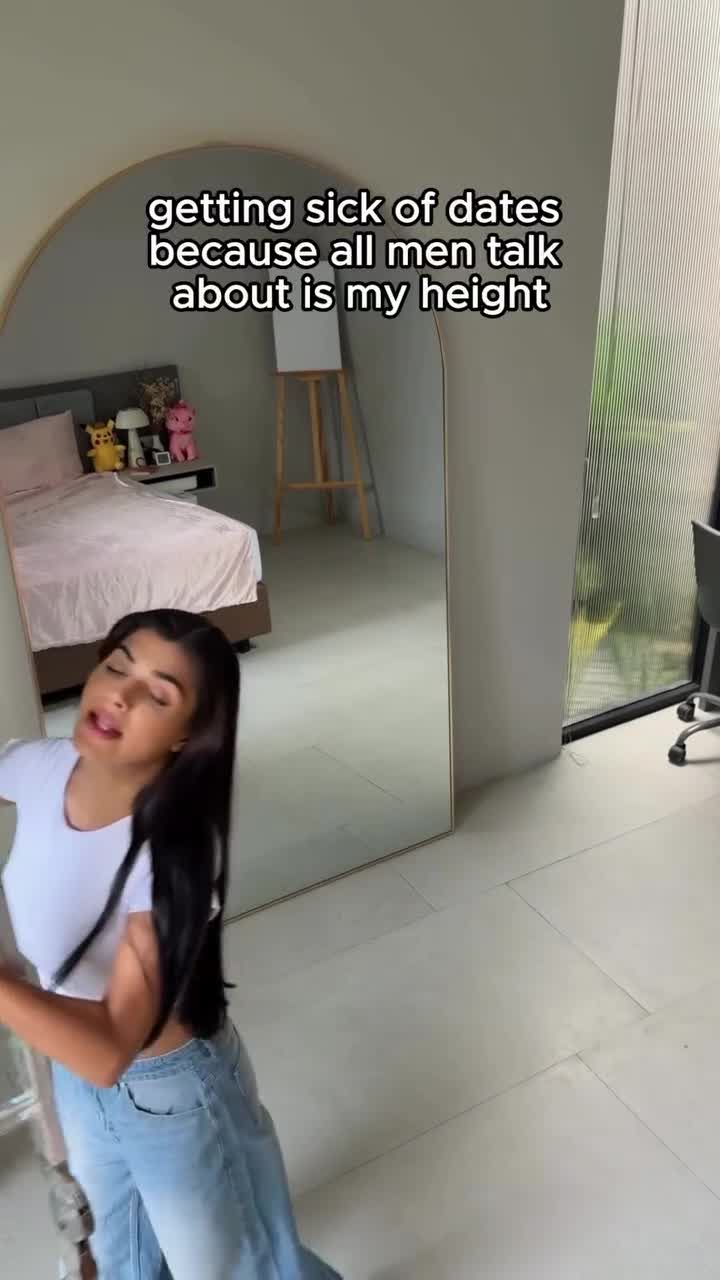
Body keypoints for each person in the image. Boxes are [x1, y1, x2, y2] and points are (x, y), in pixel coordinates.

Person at [0, 608, 341, 1280]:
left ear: (189, 733)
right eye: (116, 666)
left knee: (232, 1268)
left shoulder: (175, 851)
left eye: (158, 695)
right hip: (72, 1069)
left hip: (170, 1092)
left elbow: (110, 1050)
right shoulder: (41, 766)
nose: (120, 695)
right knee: (118, 1257)